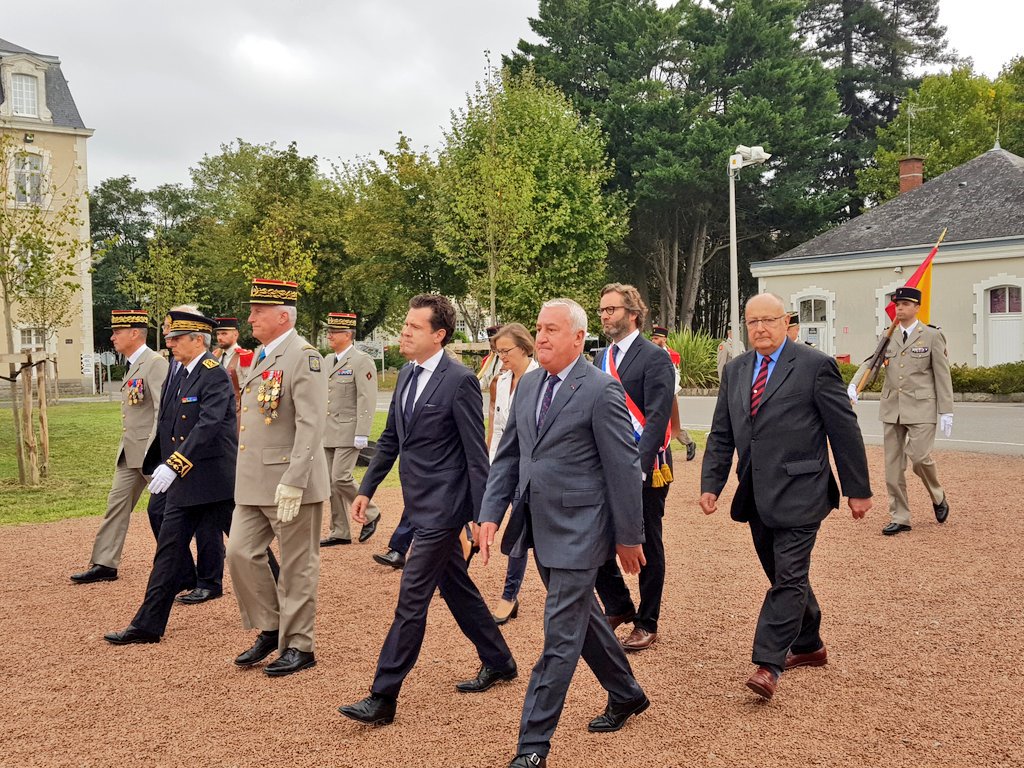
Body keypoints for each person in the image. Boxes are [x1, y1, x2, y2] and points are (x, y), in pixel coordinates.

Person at [477, 297, 649, 768]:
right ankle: (627, 693)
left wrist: (628, 537)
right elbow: (510, 456)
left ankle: (532, 747)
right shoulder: (529, 383)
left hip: (582, 530)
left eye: (552, 329)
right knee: (581, 619)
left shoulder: (601, 390)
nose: (542, 337)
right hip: (539, 525)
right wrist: (491, 512)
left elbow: (623, 469)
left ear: (577, 338)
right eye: (539, 328)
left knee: (559, 636)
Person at [338, 294, 516, 727]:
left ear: (439, 335)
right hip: (417, 504)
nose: (404, 332)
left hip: (446, 509)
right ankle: (500, 661)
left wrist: (483, 516)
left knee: (411, 598)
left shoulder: (459, 380)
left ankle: (383, 696)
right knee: (456, 587)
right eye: (405, 325)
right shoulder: (405, 375)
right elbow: (391, 439)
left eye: (414, 327)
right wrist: (366, 489)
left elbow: (476, 456)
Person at [700, 292, 872, 701]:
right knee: (784, 575)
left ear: (785, 322)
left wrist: (857, 490)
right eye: (752, 321)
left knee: (790, 575)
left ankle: (769, 663)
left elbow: (843, 430)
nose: (760, 328)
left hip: (803, 489)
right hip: (756, 492)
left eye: (768, 320)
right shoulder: (736, 370)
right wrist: (711, 484)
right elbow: (722, 433)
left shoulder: (815, 366)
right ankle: (810, 644)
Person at [104, 311, 237, 644]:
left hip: (214, 481)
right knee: (168, 552)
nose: (170, 344)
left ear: (197, 340)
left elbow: (208, 425)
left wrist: (174, 464)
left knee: (250, 548)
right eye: (169, 338)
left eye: (177, 338)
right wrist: (162, 463)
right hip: (184, 481)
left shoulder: (214, 374)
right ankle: (147, 625)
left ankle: (285, 601)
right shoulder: (179, 372)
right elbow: (167, 423)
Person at [226, 278, 330, 678]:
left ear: (283, 317)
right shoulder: (262, 355)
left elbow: (311, 423)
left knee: (297, 565)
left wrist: (296, 478)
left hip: (290, 481)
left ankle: (300, 645)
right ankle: (271, 627)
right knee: (239, 552)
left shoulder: (303, 357)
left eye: (259, 312)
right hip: (254, 481)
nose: (251, 318)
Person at [593, 285, 676, 653]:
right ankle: (618, 604)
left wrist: (636, 469)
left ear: (633, 314)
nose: (604, 315)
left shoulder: (655, 357)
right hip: (605, 465)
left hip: (647, 467)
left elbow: (657, 418)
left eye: (611, 309)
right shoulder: (601, 358)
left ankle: (647, 621)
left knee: (646, 544)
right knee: (597, 536)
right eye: (602, 310)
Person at [70, 311, 168, 584]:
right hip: (128, 454)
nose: (113, 337)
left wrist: (154, 451)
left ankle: (191, 563)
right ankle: (104, 563)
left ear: (135, 333)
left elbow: (162, 412)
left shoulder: (155, 364)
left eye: (117, 332)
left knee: (172, 511)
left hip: (151, 455)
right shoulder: (132, 364)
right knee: (116, 505)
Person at [848, 286, 953, 536]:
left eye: (905, 304)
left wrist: (946, 410)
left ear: (917, 307)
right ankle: (900, 516)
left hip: (922, 407)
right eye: (897, 304)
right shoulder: (889, 334)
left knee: (919, 458)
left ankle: (937, 495)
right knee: (893, 468)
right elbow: (872, 361)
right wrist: (854, 384)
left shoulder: (931, 335)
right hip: (892, 408)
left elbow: (942, 374)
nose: (900, 308)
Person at [486, 322, 539, 625]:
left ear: (524, 347)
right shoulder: (500, 381)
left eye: (506, 350)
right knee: (482, 516)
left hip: (527, 469)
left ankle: (509, 595)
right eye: (498, 352)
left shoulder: (541, 380)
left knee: (518, 530)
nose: (502, 356)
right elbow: (496, 426)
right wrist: (491, 460)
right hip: (502, 465)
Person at [321, 311, 381, 548]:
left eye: (334, 332)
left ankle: (372, 512)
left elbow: (367, 398)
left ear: (347, 335)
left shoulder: (361, 360)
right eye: (328, 331)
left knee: (340, 477)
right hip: (327, 431)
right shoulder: (328, 360)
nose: (329, 336)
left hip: (349, 430)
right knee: (330, 482)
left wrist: (362, 432)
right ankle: (340, 530)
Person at [651, 325, 697, 461]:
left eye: (656, 338)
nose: (653, 341)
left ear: (664, 339)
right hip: (654, 391)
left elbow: (676, 376)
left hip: (669, 392)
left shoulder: (672, 355)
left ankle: (688, 442)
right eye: (652, 338)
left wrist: (669, 393)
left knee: (670, 422)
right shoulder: (649, 353)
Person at [213, 317, 253, 419]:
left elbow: (251, 386)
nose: (219, 337)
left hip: (237, 410)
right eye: (218, 334)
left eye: (224, 333)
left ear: (235, 335)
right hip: (216, 408)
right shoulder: (215, 356)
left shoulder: (245, 356)